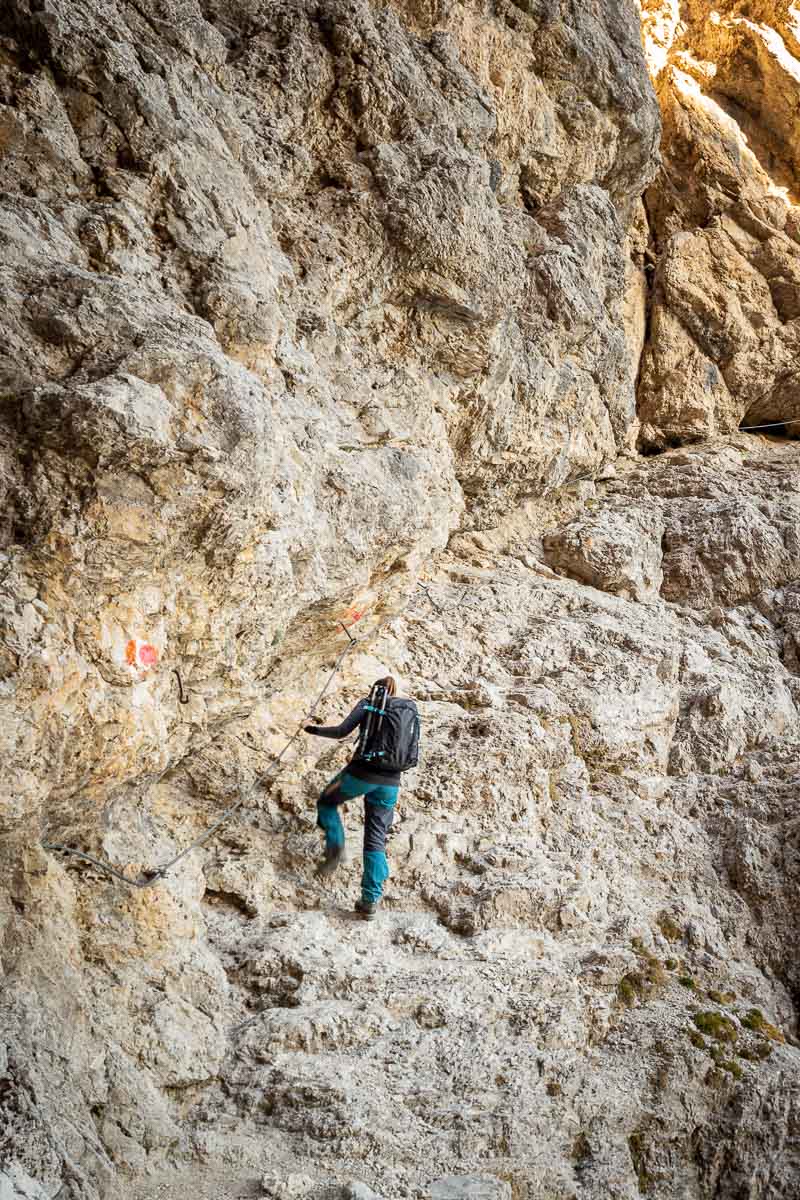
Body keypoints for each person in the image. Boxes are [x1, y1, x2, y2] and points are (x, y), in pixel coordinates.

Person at [305, 675, 417, 920]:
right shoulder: (406, 710)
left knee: (327, 802)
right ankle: (369, 901)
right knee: (376, 838)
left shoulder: (368, 703)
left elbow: (341, 731)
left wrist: (311, 728)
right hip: (391, 783)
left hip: (361, 774)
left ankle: (335, 848)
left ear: (375, 688)